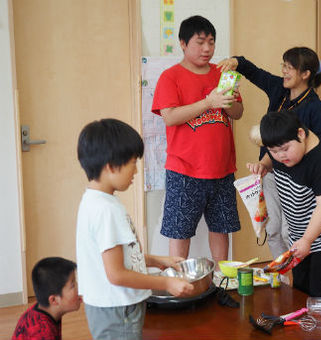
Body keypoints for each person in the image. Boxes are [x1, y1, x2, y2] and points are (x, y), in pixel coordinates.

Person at [76, 118, 194, 339]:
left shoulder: (98, 201)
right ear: (111, 166)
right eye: (133, 162)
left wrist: (159, 261)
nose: (136, 171)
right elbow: (117, 274)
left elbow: (122, 256)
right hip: (118, 309)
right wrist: (166, 282)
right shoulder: (104, 210)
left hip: (114, 307)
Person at [218, 47, 321, 259]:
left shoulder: (314, 107)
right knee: (272, 229)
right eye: (284, 66)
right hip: (270, 172)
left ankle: (296, 276)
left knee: (290, 232)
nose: (285, 72)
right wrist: (236, 62)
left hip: (296, 180)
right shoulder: (279, 89)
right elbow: (254, 72)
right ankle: (283, 274)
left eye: (290, 68)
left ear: (306, 74)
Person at [152, 15, 243, 263]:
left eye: (211, 42)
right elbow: (169, 117)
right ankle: (179, 284)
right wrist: (208, 102)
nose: (207, 49)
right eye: (200, 42)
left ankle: (221, 282)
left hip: (222, 168)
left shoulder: (221, 72)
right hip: (184, 169)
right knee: (179, 231)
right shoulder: (170, 77)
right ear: (183, 43)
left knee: (221, 228)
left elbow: (237, 113)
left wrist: (229, 101)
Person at [247, 110, 321, 309]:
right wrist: (263, 164)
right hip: (301, 231)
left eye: (284, 149)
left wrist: (307, 240)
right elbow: (272, 157)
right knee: (300, 290)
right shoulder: (281, 152)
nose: (280, 156)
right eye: (273, 150)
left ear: (301, 134)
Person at [12, 257, 81, 340]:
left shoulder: (44, 311)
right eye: (73, 285)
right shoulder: (42, 333)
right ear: (54, 300)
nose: (79, 288)